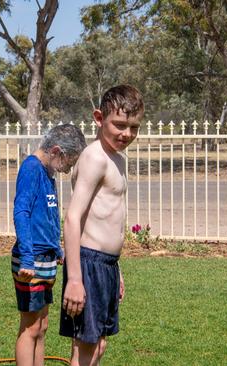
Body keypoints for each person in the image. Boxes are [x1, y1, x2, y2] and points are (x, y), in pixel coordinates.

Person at [59, 85, 144, 365]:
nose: (126, 134)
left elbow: (109, 217)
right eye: (119, 125)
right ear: (98, 118)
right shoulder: (95, 157)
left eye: (133, 127)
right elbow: (73, 218)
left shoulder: (116, 159)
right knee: (87, 348)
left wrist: (115, 268)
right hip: (88, 264)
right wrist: (74, 279)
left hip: (104, 265)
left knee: (97, 345)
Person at [11, 124, 87, 366]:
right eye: (68, 162)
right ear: (56, 151)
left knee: (42, 325)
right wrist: (26, 258)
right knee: (30, 326)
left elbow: (46, 217)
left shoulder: (47, 173)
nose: (68, 169)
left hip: (46, 258)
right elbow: (21, 212)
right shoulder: (32, 169)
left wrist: (57, 249)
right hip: (31, 261)